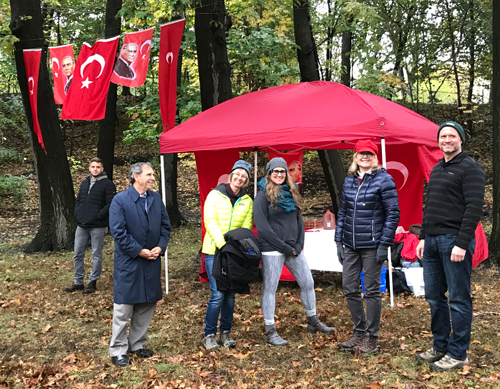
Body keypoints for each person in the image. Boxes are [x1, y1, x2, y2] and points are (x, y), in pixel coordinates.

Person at [415, 121, 485, 371]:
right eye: (443, 136)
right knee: (434, 297)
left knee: (458, 299)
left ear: (461, 139)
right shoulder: (437, 169)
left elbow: (474, 209)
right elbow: (430, 206)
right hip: (432, 241)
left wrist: (462, 244)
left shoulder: (471, 168)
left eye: (452, 136)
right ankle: (441, 345)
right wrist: (423, 237)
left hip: (454, 241)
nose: (447, 139)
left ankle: (458, 353)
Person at [254, 157, 333, 346]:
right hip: (272, 249)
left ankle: (313, 320)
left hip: (294, 248)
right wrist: (285, 247)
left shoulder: (292, 192)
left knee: (307, 282)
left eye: (283, 171)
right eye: (276, 171)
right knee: (270, 288)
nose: (280, 175)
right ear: (269, 174)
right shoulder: (261, 196)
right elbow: (263, 228)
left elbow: (299, 219)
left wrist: (299, 245)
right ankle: (270, 330)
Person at [335, 140, 400, 354]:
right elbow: (343, 211)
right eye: (361, 153)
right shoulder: (349, 181)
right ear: (355, 157)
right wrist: (339, 240)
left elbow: (393, 214)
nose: (365, 157)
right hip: (351, 244)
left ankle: (372, 337)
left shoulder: (384, 179)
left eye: (369, 154)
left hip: (373, 244)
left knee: (371, 290)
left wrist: (385, 244)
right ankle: (359, 331)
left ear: (375, 157)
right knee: (349, 287)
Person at [108, 162, 171, 367]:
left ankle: (137, 344)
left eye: (153, 174)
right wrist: (139, 251)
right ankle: (118, 349)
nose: (153, 177)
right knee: (123, 308)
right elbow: (118, 232)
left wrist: (160, 247)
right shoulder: (120, 200)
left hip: (151, 261)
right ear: (136, 176)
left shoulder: (155, 199)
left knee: (146, 305)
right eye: (149, 174)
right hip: (130, 262)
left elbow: (165, 227)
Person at [202, 160, 254, 350]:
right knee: (217, 294)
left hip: (234, 253)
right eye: (237, 174)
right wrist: (222, 244)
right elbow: (210, 220)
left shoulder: (247, 201)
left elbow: (246, 228)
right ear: (231, 175)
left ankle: (225, 333)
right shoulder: (215, 195)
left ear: (246, 180)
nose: (240, 178)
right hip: (213, 250)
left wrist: (237, 248)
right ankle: (209, 335)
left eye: (244, 176)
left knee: (230, 294)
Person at [64, 158, 116, 294]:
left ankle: (92, 282)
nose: (95, 169)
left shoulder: (108, 184)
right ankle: (78, 281)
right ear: (89, 168)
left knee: (96, 254)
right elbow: (79, 200)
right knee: (77, 253)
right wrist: (78, 214)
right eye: (93, 166)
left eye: (98, 167)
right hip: (82, 224)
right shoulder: (85, 183)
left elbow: (110, 204)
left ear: (102, 169)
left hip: (98, 225)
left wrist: (98, 215)